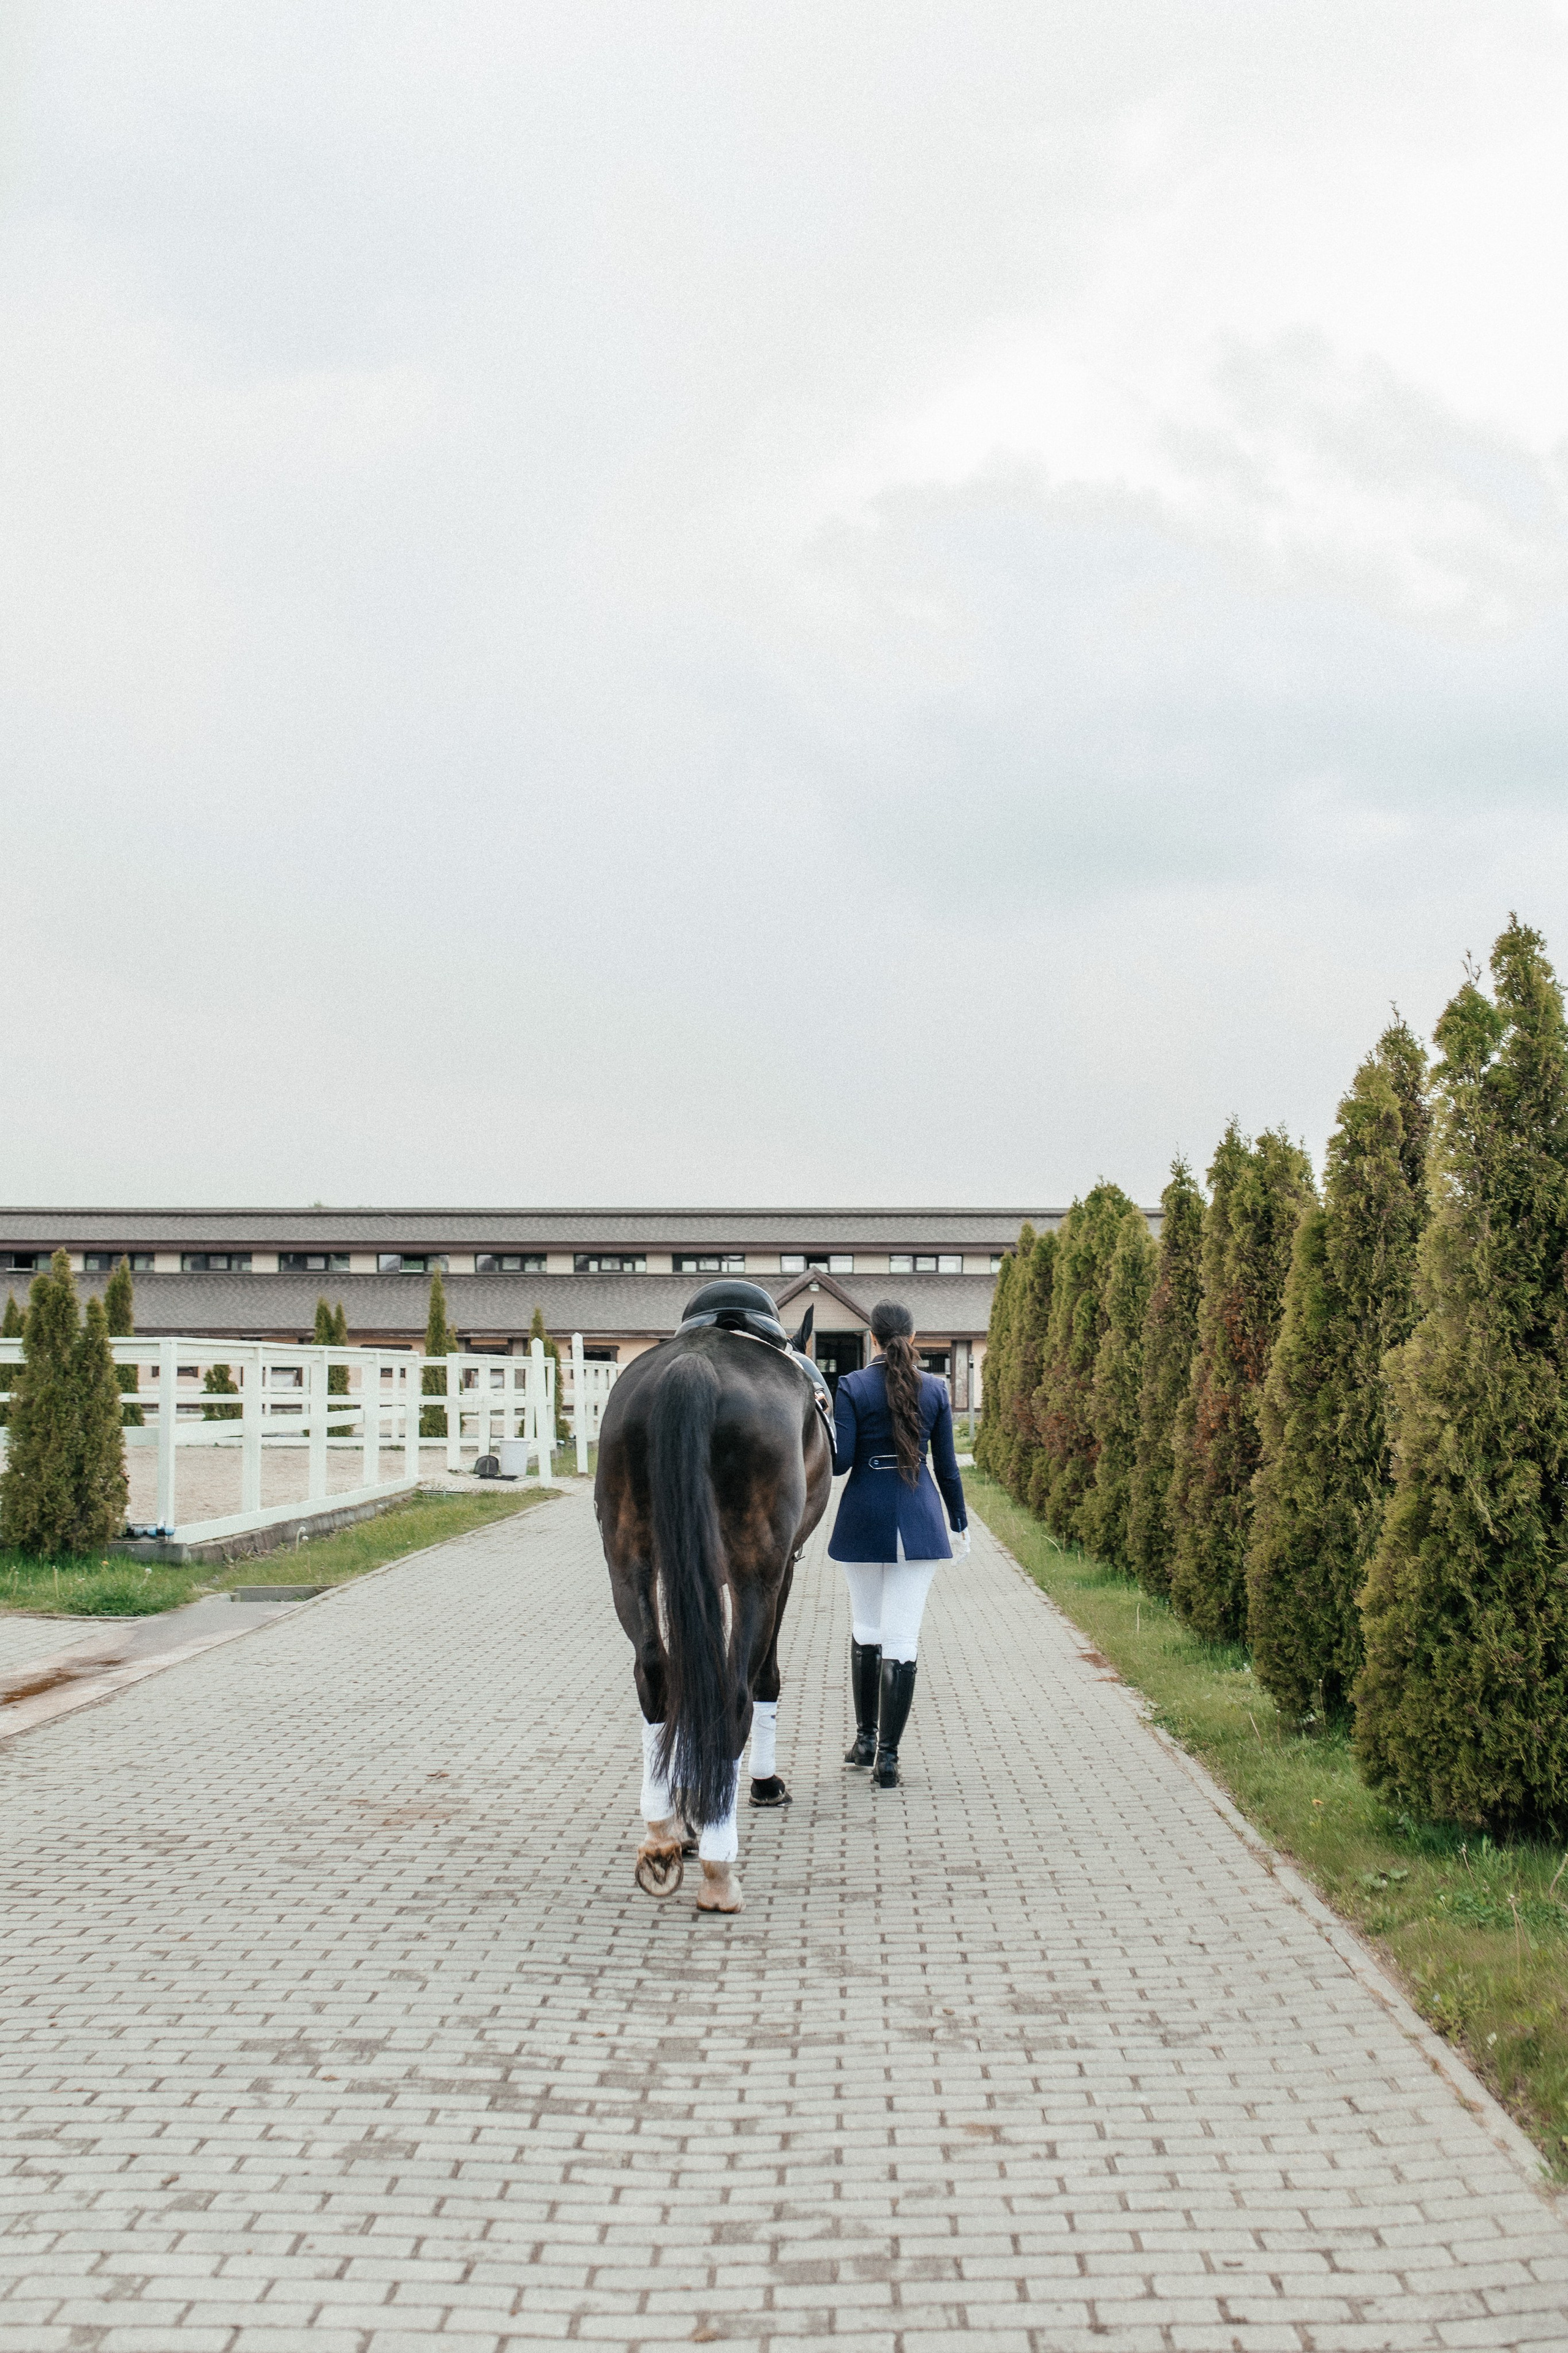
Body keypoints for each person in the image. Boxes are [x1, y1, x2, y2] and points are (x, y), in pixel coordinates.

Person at [827, 1301, 968, 1788]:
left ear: (871, 1337)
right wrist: (960, 1522)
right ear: (913, 1336)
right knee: (902, 1639)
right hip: (919, 1517)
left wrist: (825, 1420)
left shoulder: (851, 1385)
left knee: (866, 1628)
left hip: (863, 1515)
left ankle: (865, 1740)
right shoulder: (936, 1388)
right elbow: (947, 1468)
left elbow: (840, 1462)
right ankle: (887, 1758)